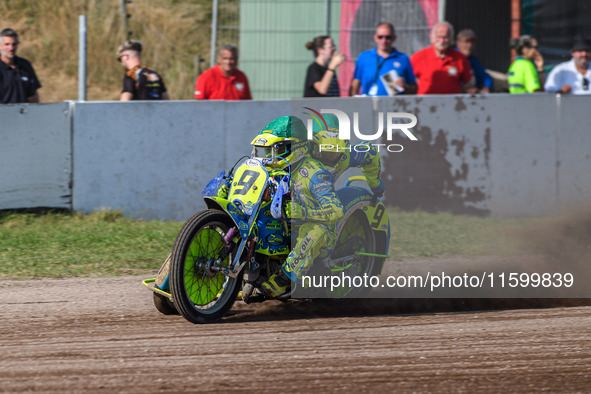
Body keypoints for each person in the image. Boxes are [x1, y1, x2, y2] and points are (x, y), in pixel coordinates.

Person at [309, 113, 384, 197]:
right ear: (311, 146)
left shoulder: (346, 155)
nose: (328, 160)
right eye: (322, 153)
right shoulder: (300, 153)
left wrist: (375, 184)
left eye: (334, 153)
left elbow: (370, 152)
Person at [350, 22, 416, 96]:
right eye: (380, 37)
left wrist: (405, 86)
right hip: (368, 104)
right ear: (375, 37)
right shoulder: (364, 57)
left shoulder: (403, 59)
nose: (384, 41)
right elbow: (355, 85)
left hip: (395, 105)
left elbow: (414, 88)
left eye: (388, 37)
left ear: (394, 38)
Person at [410, 21, 476, 95]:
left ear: (450, 38)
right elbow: (409, 81)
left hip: (452, 103)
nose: (441, 41)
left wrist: (469, 90)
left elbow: (468, 83)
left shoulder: (460, 58)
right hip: (426, 103)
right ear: (432, 38)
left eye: (445, 37)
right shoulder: (419, 57)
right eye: (439, 37)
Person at [0, 28, 41, 104]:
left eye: (14, 44)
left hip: (24, 113)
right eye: (7, 44)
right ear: (0, 46)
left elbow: (33, 96)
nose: (11, 48)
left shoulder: (25, 65)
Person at [455, 29, 493, 93]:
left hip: (472, 99)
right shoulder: (451, 58)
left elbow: (485, 77)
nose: (470, 45)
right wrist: (464, 90)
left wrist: (487, 87)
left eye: (472, 42)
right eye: (466, 42)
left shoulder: (473, 60)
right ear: (458, 43)